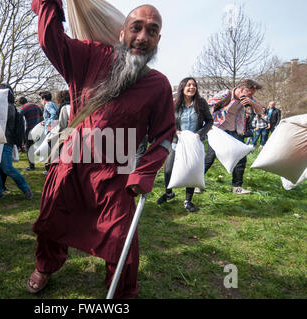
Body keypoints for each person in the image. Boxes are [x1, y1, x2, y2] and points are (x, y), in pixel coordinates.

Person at [27, 1, 175, 298]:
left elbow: (163, 136)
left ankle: (120, 292)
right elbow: (51, 41)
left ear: (158, 40)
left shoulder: (158, 85)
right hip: (70, 162)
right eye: (136, 27)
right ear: (122, 33)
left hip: (116, 173)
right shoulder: (91, 56)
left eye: (152, 31)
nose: (143, 36)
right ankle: (45, 266)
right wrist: (50, 4)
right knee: (51, 223)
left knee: (122, 239)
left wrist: (144, 173)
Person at [156, 77, 213, 212]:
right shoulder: (175, 103)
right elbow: (167, 122)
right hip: (177, 142)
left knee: (191, 171)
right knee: (168, 169)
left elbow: (210, 121)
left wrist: (200, 133)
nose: (192, 87)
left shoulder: (201, 103)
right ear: (182, 87)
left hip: (194, 143)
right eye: (189, 85)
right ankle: (169, 193)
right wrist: (175, 132)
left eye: (194, 85)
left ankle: (188, 201)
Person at [204, 79, 263, 194]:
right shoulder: (226, 94)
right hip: (218, 130)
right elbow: (207, 103)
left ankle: (237, 187)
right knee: (210, 157)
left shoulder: (248, 100)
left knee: (241, 157)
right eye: (249, 94)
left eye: (252, 95)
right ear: (241, 89)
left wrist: (252, 103)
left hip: (235, 130)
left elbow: (260, 110)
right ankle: (196, 183)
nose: (250, 96)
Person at [0, 84, 33, 202]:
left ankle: (26, 188)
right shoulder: (4, 106)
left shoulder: (8, 107)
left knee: (7, 168)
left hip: (5, 142)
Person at [18, 97, 43, 171]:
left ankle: (31, 166)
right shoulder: (36, 106)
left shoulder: (24, 108)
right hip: (38, 128)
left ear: (21, 104)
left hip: (30, 129)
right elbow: (41, 115)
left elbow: (18, 116)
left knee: (29, 147)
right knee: (40, 145)